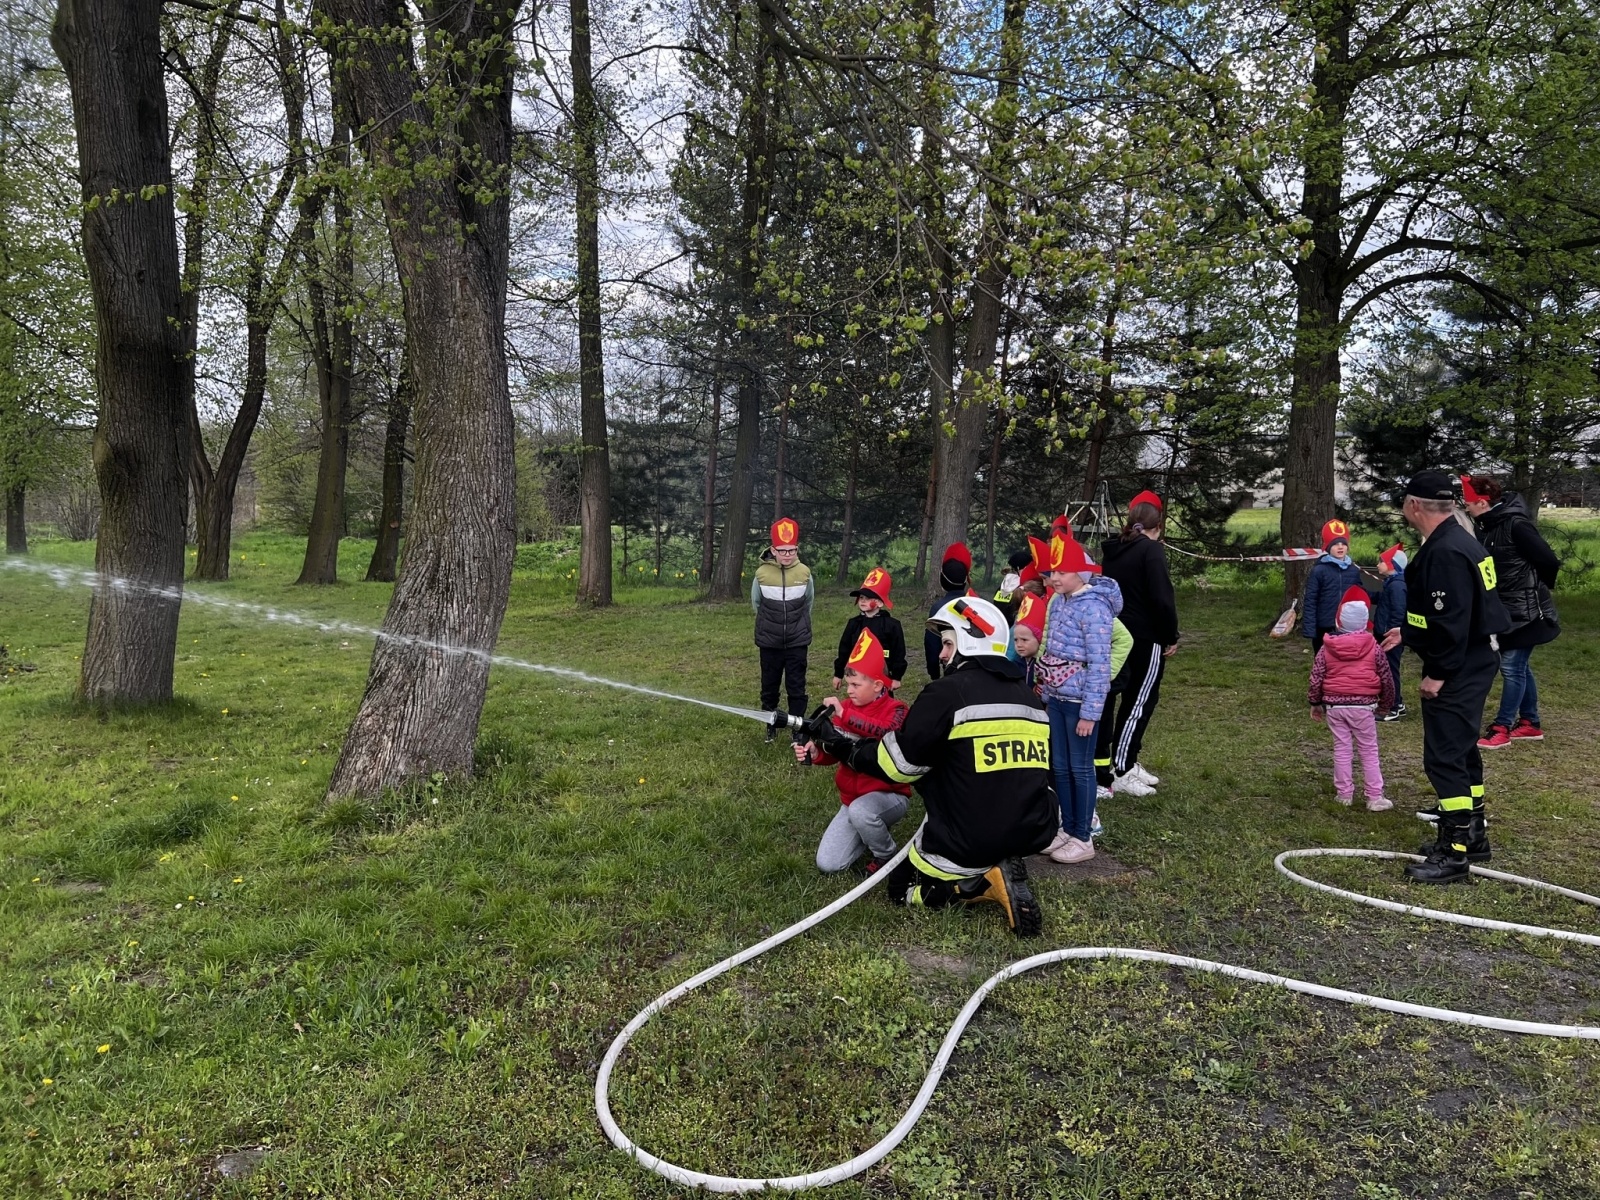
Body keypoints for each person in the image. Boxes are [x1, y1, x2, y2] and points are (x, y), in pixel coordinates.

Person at [807, 595, 1057, 936]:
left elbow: (898, 765)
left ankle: (977, 886)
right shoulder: (1030, 698)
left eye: (948, 643)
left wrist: (841, 746)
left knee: (901, 889)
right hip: (1032, 830)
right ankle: (998, 860)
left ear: (970, 641)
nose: (941, 654)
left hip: (968, 838)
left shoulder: (946, 693)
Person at [1383, 470, 1510, 883]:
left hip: (1459, 665)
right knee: (1462, 749)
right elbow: (1454, 611)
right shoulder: (1460, 540)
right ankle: (1473, 834)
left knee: (1444, 757)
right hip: (1474, 656)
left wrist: (1436, 674)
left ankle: (1452, 853)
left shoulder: (1444, 552)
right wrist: (1409, 631)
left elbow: (1451, 621)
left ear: (1413, 505)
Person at [1036, 526, 1122, 865]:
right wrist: (1047, 687)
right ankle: (1067, 827)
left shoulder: (1095, 608)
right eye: (1053, 571)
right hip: (1057, 699)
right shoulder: (1059, 601)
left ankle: (1083, 836)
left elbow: (1100, 664)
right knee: (1059, 766)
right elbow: (1051, 647)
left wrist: (1090, 712)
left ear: (1081, 572)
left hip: (1079, 703)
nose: (1054, 578)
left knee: (1080, 768)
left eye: (1062, 572)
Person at [796, 628, 912, 874]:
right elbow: (836, 749)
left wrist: (844, 714)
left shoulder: (897, 709)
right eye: (848, 684)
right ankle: (869, 828)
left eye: (856, 685)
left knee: (862, 812)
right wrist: (817, 753)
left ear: (878, 685)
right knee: (828, 864)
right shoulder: (847, 707)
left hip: (890, 795)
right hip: (851, 801)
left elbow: (886, 732)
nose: (849, 690)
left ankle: (886, 855)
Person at [1461, 475, 1561, 750]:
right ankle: (1530, 723)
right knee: (1519, 667)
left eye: (1468, 502)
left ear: (1482, 503)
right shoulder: (1486, 527)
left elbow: (1549, 561)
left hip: (1529, 613)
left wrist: (1534, 587)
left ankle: (1502, 727)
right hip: (1505, 611)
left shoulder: (1517, 525)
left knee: (1511, 667)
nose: (1466, 507)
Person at [1099, 490, 1178, 797]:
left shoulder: (1115, 549)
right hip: (1146, 636)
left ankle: (1126, 759)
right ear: (1158, 524)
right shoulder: (1151, 551)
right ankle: (1122, 767)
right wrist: (1170, 635)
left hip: (1117, 633)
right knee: (1139, 701)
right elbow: (1162, 598)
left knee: (1125, 698)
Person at [1308, 587, 1396, 811]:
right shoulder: (1374, 647)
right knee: (1368, 750)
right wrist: (1386, 704)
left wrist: (1315, 703)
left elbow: (1316, 676)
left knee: (1342, 749)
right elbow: (1386, 677)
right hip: (1363, 707)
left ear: (1338, 621)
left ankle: (1344, 794)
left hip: (1334, 706)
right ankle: (1374, 797)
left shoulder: (1326, 648)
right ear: (1365, 622)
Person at [752, 517, 814, 743]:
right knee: (769, 685)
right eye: (782, 550)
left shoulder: (805, 572)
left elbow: (809, 602)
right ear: (773, 550)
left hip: (797, 640)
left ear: (797, 549)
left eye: (791, 550)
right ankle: (771, 723)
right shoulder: (761, 574)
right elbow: (756, 604)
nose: (787, 555)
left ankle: (797, 727)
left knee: (796, 686)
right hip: (770, 641)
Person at [831, 567, 907, 691]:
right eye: (861, 597)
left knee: (882, 700)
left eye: (868, 598)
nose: (863, 601)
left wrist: (896, 677)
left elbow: (898, 652)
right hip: (857, 675)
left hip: (882, 675)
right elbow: (844, 649)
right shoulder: (854, 623)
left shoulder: (892, 625)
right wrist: (838, 674)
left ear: (880, 603)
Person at [1302, 518, 1364, 652]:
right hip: (1324, 625)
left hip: (1346, 626)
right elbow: (1311, 600)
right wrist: (1309, 628)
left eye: (1343, 543)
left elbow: (1360, 594)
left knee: (1343, 658)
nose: (1340, 547)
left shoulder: (1353, 570)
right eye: (1335, 544)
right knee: (1323, 659)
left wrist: (1384, 595)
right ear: (1328, 547)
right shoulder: (1319, 570)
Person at [923, 542, 974, 679]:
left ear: (942, 579)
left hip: (950, 668)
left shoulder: (939, 608)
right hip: (975, 669)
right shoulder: (977, 604)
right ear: (966, 580)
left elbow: (932, 644)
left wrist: (934, 673)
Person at [1373, 543, 1409, 721]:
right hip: (1387, 634)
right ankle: (1398, 703)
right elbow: (1383, 599)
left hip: (1391, 637)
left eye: (1381, 561)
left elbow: (1398, 611)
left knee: (1390, 672)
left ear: (1391, 565)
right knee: (1387, 670)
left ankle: (1392, 708)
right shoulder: (1392, 583)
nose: (1377, 564)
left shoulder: (1396, 587)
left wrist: (1391, 632)